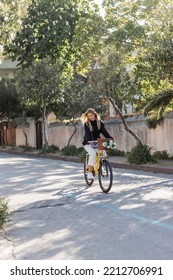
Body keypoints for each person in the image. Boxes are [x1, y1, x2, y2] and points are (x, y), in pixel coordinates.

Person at [81, 108, 113, 179]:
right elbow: (87, 133)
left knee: (103, 154)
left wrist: (110, 138)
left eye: (92, 115)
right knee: (93, 153)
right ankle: (89, 173)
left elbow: (104, 132)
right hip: (88, 143)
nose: (90, 117)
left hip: (96, 142)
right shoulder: (87, 124)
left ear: (95, 115)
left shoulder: (100, 123)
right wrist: (89, 140)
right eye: (89, 116)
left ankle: (100, 166)